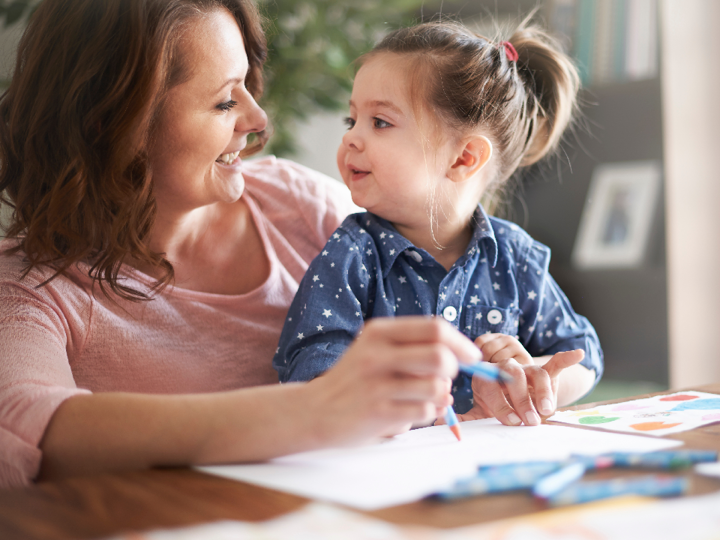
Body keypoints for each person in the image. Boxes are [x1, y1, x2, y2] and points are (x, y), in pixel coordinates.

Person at [0, 0, 488, 488]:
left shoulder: (303, 208)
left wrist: (501, 361)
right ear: (116, 123)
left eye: (246, 87)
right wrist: (316, 409)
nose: (258, 119)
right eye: (225, 102)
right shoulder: (30, 289)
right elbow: (26, 427)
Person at [273, 20, 604, 426]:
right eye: (351, 120)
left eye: (380, 122)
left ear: (464, 158)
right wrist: (386, 397)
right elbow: (309, 373)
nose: (351, 139)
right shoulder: (352, 253)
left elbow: (583, 356)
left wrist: (533, 378)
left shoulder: (516, 257)